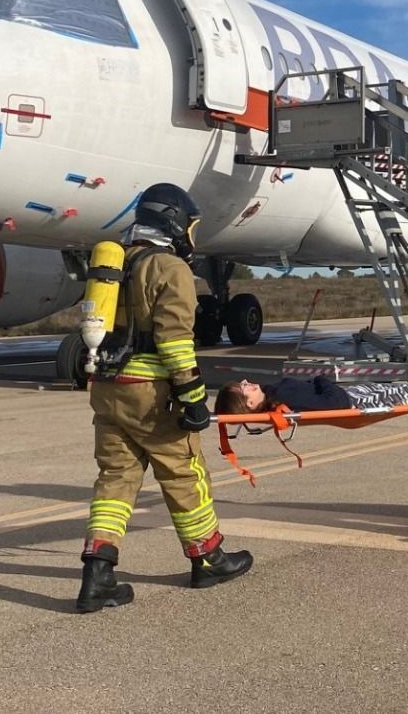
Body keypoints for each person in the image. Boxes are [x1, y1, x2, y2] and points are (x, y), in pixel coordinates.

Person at [75, 182, 253, 613]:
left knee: (115, 480)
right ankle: (208, 558)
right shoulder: (169, 268)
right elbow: (174, 341)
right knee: (184, 473)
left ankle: (98, 573)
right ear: (174, 224)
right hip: (151, 395)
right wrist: (193, 398)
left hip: (109, 389)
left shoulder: (115, 264)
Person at [212, 363, 408, 416]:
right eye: (243, 389)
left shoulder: (273, 391)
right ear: (248, 405)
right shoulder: (284, 395)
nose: (246, 382)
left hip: (355, 396)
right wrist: (321, 378)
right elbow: (332, 404)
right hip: (355, 401)